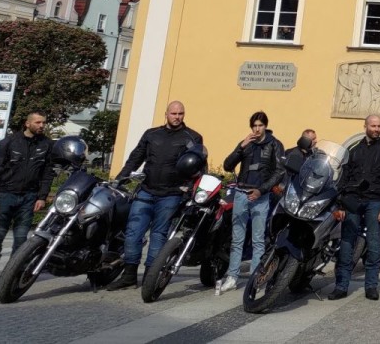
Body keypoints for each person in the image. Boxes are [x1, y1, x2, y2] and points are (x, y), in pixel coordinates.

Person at [109, 101, 203, 290]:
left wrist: (189, 189)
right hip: (146, 190)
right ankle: (128, 275)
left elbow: (199, 166)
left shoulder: (192, 137)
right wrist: (120, 178)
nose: (177, 117)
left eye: (181, 113)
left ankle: (150, 277)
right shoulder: (151, 134)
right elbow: (135, 158)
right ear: (166, 114)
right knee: (132, 233)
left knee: (158, 236)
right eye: (173, 113)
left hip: (171, 194)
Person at [0, 111, 55, 290]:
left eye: (43, 122)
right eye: (38, 122)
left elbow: (47, 173)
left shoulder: (47, 145)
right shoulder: (8, 143)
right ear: (27, 124)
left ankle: (10, 277)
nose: (42, 126)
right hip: (5, 195)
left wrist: (42, 196)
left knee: (21, 240)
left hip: (29, 197)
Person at [217, 111, 284, 294]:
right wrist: (241, 147)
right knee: (237, 239)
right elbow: (228, 166)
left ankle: (256, 279)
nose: (257, 129)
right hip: (241, 193)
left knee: (257, 240)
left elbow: (279, 172)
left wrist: (261, 190)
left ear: (265, 126)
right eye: (254, 125)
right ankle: (232, 277)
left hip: (260, 196)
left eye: (260, 125)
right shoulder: (246, 144)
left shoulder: (275, 144)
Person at [330, 114, 380, 301]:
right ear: (365, 126)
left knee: (374, 245)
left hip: (375, 202)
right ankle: (341, 286)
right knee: (346, 244)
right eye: (373, 126)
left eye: (379, 126)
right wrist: (340, 203)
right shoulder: (352, 148)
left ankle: (371, 286)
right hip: (352, 200)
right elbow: (343, 176)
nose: (376, 129)